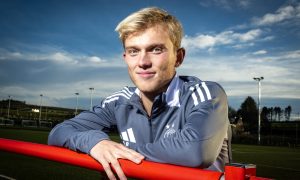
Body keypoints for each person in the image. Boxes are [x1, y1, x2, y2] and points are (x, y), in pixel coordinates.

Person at [48, 7, 231, 180]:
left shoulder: (206, 93)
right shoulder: (119, 101)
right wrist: (95, 143)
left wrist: (119, 154)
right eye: (133, 51)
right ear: (125, 58)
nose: (143, 62)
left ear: (179, 57)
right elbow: (58, 132)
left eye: (156, 49)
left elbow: (195, 151)